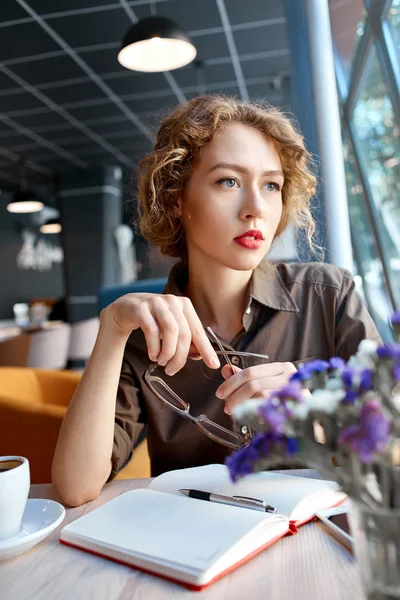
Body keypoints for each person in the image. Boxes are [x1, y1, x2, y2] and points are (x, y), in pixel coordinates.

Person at [52, 95, 381, 507]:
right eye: (229, 181)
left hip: (315, 544)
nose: (256, 209)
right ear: (176, 197)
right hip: (192, 554)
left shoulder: (328, 295)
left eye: (271, 185)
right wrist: (112, 329)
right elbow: (74, 487)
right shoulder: (140, 336)